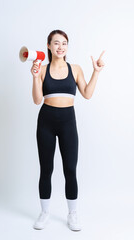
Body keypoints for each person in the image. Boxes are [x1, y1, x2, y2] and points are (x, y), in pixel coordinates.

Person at [31, 29, 105, 231]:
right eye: (56, 43)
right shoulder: (42, 69)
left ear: (67, 46)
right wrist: (35, 77)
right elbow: (37, 100)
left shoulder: (76, 69)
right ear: (48, 46)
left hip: (67, 123)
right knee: (46, 169)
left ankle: (72, 214)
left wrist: (96, 72)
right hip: (46, 121)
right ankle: (44, 212)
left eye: (64, 43)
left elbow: (87, 94)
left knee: (70, 169)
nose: (60, 47)